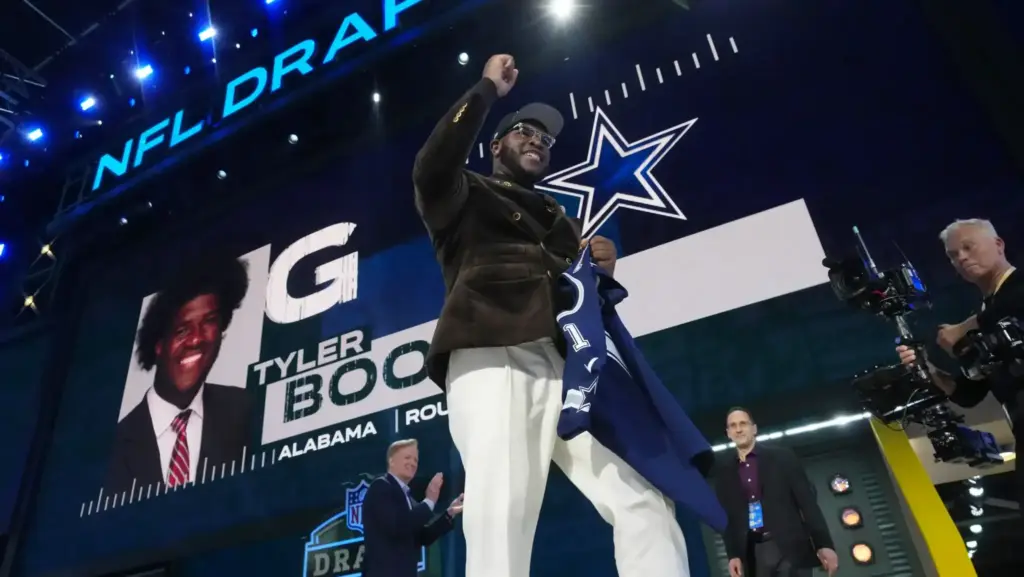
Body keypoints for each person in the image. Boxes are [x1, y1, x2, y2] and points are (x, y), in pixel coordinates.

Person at [413, 53, 687, 577]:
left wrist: (598, 273)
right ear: (496, 146)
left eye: (546, 138)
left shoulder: (564, 221)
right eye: (525, 132)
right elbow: (431, 165)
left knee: (644, 498)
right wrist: (486, 90)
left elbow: (577, 301)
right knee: (502, 512)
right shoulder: (463, 194)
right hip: (491, 353)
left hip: (567, 365)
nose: (538, 140)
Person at [895, 218, 1022, 510]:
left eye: (968, 247)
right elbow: (969, 393)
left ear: (998, 245)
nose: (961, 258)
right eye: (953, 255)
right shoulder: (989, 310)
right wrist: (926, 368)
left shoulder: (1013, 293)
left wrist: (966, 329)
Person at [105, 256, 253, 496]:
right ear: (158, 344)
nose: (196, 339)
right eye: (182, 330)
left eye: (209, 322)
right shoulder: (112, 447)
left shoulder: (245, 410)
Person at [714, 408, 838, 577]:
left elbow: (807, 503)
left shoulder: (782, 457)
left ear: (754, 429)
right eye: (733, 426)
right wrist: (733, 555)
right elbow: (727, 518)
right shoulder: (725, 472)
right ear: (728, 433)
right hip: (753, 554)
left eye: (743, 424)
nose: (739, 429)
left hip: (791, 548)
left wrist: (824, 544)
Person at [362, 439, 463, 577]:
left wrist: (449, 513)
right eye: (407, 457)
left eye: (415, 460)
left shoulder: (409, 499)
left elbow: (423, 537)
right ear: (392, 461)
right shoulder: (381, 487)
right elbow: (397, 526)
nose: (413, 463)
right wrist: (429, 500)